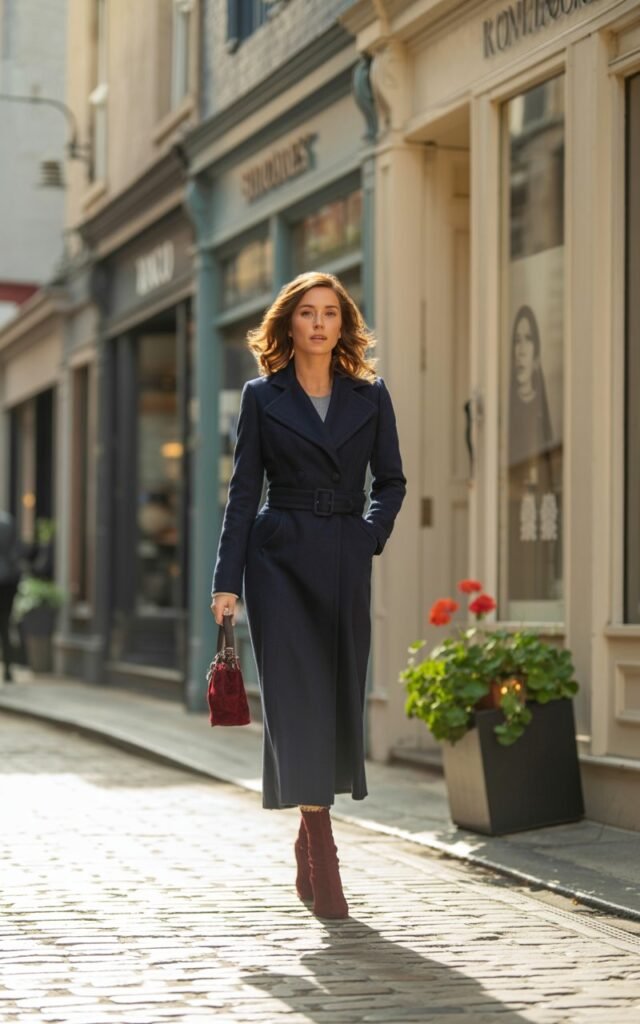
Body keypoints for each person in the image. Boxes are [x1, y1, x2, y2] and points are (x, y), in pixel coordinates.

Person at [210, 271, 406, 920]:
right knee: (297, 704)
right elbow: (243, 493)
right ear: (288, 324)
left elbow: (393, 481)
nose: (319, 323)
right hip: (279, 561)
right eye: (307, 313)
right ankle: (326, 858)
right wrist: (225, 582)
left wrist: (367, 537)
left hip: (346, 559)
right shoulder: (262, 397)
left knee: (337, 697)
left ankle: (305, 833)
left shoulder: (371, 396)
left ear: (342, 325)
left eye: (330, 313)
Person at [0, 510, 22, 682]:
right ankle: (8, 669)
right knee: (6, 626)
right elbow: (17, 550)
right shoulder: (9, 521)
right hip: (8, 581)